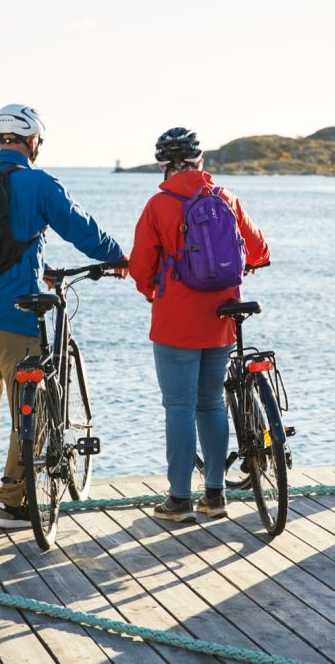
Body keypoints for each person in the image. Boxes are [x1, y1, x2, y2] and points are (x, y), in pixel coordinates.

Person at [0, 104, 127, 528]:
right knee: (27, 408)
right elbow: (79, 226)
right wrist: (117, 256)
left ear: (1, 140)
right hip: (15, 317)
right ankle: (13, 502)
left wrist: (41, 270)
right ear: (33, 142)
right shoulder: (38, 182)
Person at [128, 127, 269, 522]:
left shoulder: (159, 204)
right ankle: (215, 494)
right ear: (200, 162)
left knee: (178, 406)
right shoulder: (226, 198)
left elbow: (141, 266)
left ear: (163, 164)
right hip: (223, 317)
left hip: (176, 321)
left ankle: (178, 499)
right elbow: (258, 250)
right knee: (210, 404)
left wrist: (152, 292)